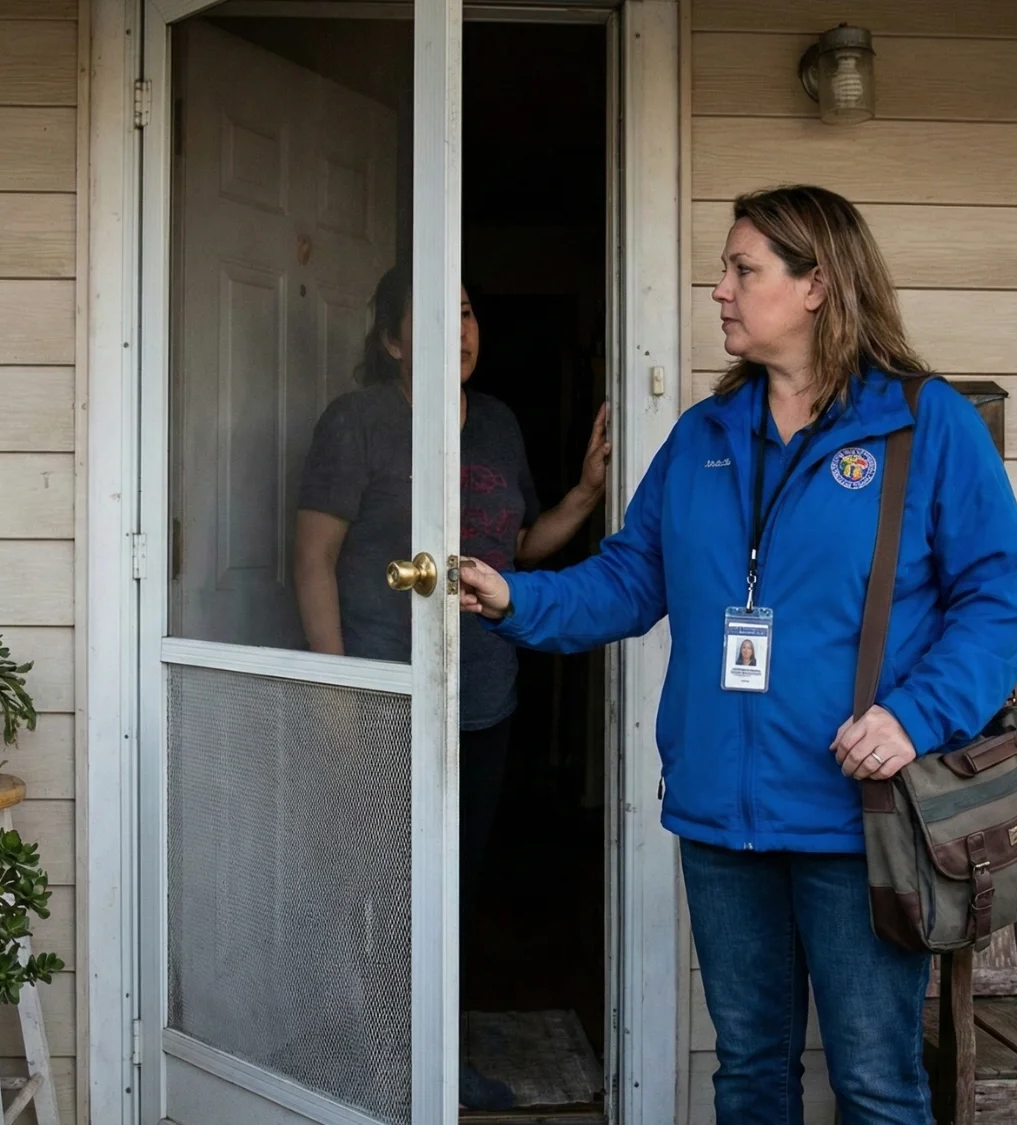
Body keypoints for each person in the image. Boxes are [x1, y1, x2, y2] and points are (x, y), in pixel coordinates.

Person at [456, 185, 1017, 1124]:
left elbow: (1000, 603)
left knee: (876, 1083)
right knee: (751, 1072)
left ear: (818, 285)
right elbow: (630, 578)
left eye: (742, 269)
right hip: (722, 819)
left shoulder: (923, 425)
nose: (719, 289)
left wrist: (912, 717)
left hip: (860, 822)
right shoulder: (704, 435)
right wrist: (515, 595)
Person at [292, 265, 610, 1109]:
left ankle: (433, 1058)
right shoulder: (358, 422)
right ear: (392, 341)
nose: (458, 329)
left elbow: (521, 548)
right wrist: (336, 689)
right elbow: (314, 561)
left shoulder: (497, 423)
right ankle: (378, 1062)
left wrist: (586, 493)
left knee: (453, 886)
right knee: (381, 885)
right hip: (384, 694)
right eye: (434, 315)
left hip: (482, 696)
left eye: (465, 312)